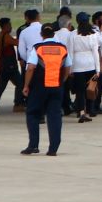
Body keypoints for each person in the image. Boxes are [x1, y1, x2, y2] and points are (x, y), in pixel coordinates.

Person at [21, 24, 71, 156]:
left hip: (39, 87)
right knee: (54, 116)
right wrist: (62, 81)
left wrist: (26, 85)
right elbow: (68, 68)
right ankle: (53, 149)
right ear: (54, 34)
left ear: (42, 35)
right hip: (56, 87)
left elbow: (31, 67)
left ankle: (33, 145)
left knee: (32, 113)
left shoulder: (38, 48)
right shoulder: (63, 48)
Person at [69, 12, 102, 122]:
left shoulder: (73, 34)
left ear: (77, 21)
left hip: (78, 65)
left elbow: (70, 53)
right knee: (91, 89)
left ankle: (81, 112)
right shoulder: (93, 34)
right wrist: (98, 70)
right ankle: (89, 110)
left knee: (80, 91)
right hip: (90, 64)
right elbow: (95, 52)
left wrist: (70, 69)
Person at [0, 17, 24, 113]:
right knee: (20, 83)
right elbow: (17, 43)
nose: (11, 27)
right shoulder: (6, 36)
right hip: (8, 66)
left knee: (2, 85)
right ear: (5, 26)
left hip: (2, 65)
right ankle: (17, 104)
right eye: (10, 25)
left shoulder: (1, 35)